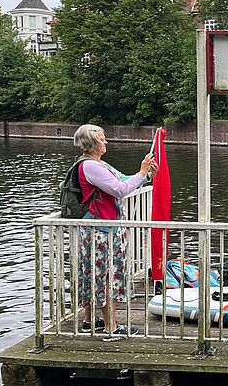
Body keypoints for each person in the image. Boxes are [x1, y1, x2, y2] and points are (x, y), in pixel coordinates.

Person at [73, 124, 158, 337]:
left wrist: (146, 175)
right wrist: (142, 172)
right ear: (92, 143)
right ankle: (111, 327)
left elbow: (123, 180)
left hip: (100, 228)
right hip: (101, 231)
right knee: (105, 277)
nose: (106, 142)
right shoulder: (91, 167)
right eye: (102, 139)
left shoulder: (98, 164)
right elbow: (120, 190)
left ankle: (90, 321)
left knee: (93, 274)